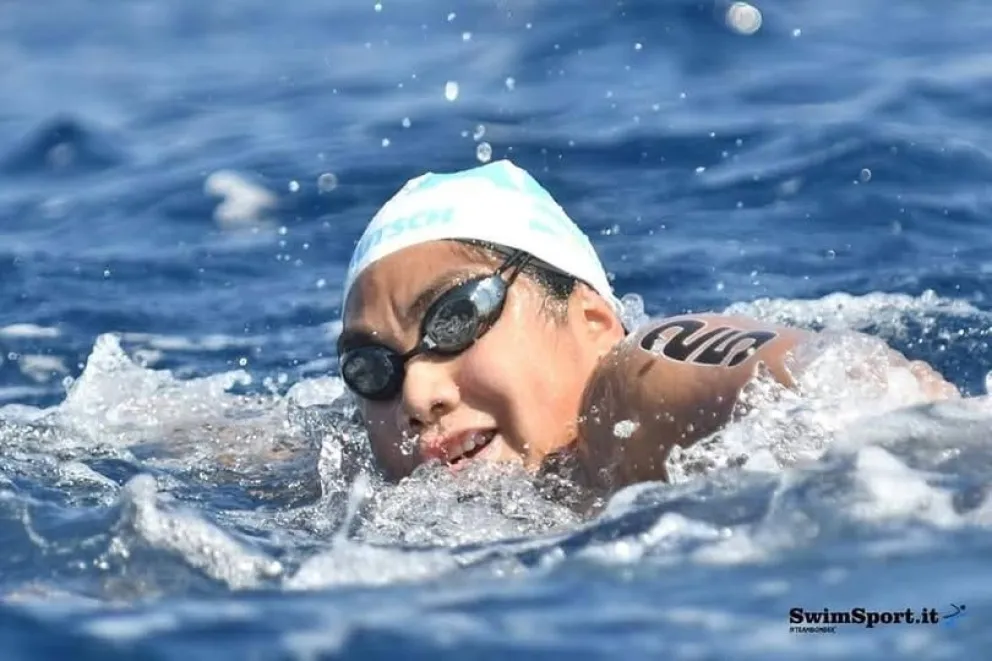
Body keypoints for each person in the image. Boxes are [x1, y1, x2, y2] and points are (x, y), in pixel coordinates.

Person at [336, 159, 960, 495]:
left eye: (456, 317)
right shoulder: (364, 488)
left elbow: (843, 387)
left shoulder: (629, 390)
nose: (417, 396)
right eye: (371, 369)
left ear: (593, 322)